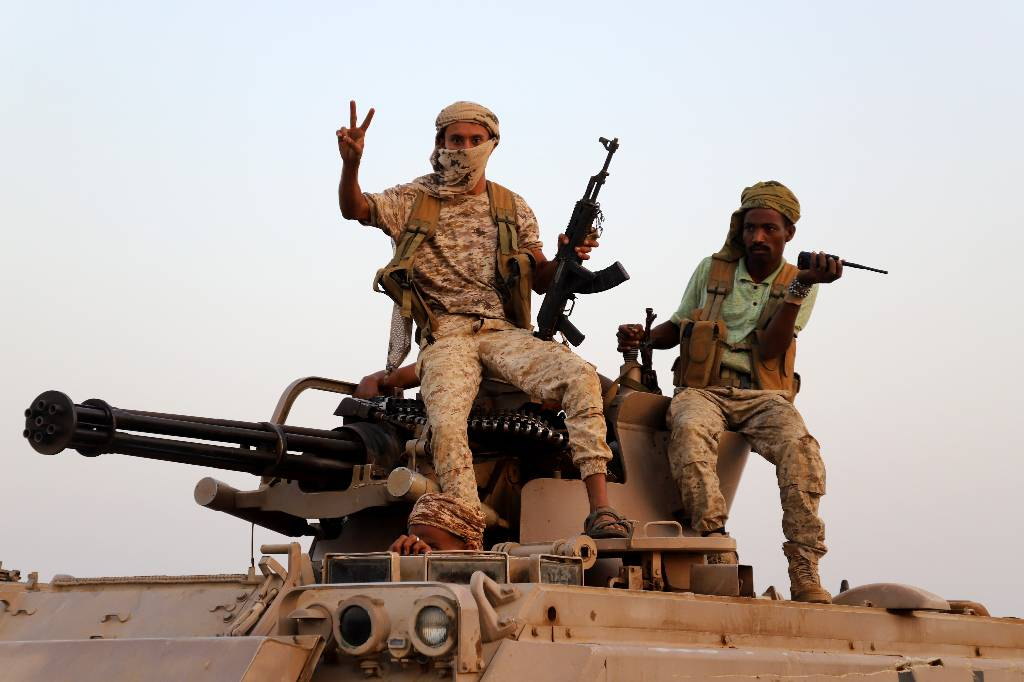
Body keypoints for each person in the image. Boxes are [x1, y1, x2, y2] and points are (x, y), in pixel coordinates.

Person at [336, 100, 630, 555]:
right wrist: (352, 164)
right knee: (446, 422)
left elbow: (540, 277)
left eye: (476, 140)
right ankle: (467, 529)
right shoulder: (415, 198)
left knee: (580, 377)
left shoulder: (510, 206)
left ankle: (601, 509)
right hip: (446, 336)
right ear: (440, 143)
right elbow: (355, 208)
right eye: (456, 140)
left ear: (492, 144)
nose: (466, 148)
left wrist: (565, 257)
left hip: (500, 332)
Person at [617, 181, 842, 603]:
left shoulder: (798, 282)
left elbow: (772, 348)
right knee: (688, 431)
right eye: (750, 227)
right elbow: (678, 326)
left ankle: (805, 569)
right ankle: (716, 546)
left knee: (802, 453)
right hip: (705, 389)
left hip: (763, 397)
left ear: (789, 233)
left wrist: (800, 288)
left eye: (769, 229)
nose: (758, 237)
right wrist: (643, 337)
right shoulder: (713, 270)